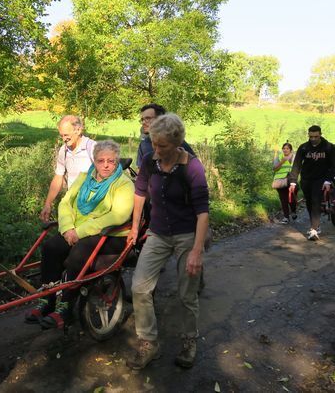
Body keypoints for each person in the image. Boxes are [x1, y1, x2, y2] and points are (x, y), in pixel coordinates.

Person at [126, 114, 209, 370]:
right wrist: (134, 226)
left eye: (162, 146)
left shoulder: (192, 168)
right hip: (158, 232)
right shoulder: (150, 161)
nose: (156, 151)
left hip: (187, 234)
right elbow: (140, 193)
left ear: (177, 143)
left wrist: (197, 250)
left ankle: (188, 340)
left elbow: (203, 211)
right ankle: (149, 343)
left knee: (186, 294)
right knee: (139, 287)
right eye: (154, 144)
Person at [25, 140, 134, 329]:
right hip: (74, 230)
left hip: (111, 235)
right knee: (51, 247)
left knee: (79, 253)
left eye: (111, 161)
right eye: (101, 161)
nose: (106, 165)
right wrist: (67, 228)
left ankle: (66, 305)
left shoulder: (123, 184)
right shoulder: (85, 177)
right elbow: (65, 203)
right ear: (94, 160)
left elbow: (118, 215)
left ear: (117, 162)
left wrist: (79, 232)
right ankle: (47, 299)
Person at [40, 115, 97, 222]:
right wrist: (48, 204)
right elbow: (58, 178)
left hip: (92, 206)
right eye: (61, 135)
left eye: (66, 135)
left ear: (78, 130)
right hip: (72, 204)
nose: (64, 139)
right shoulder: (63, 151)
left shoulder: (93, 148)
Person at [288, 125, 335, 241]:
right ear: (308, 135)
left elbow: (333, 166)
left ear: (320, 134)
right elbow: (297, 165)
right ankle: (316, 224)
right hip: (306, 179)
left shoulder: (328, 147)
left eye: (316, 136)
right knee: (309, 202)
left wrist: (328, 180)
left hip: (321, 179)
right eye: (311, 137)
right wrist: (293, 181)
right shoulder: (304, 147)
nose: (313, 139)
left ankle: (313, 229)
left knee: (316, 201)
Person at [136, 103, 195, 169]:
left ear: (160, 119)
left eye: (148, 118)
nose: (143, 122)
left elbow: (196, 170)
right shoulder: (144, 144)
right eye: (142, 119)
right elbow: (140, 171)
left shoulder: (176, 142)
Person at [273, 142, 298, 224]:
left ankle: (293, 211)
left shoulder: (294, 157)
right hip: (280, 180)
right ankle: (286, 217)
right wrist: (282, 161)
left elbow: (297, 167)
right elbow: (275, 169)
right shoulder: (279, 157)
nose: (285, 150)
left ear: (290, 150)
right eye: (284, 148)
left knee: (291, 198)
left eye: (287, 148)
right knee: (283, 199)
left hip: (291, 180)